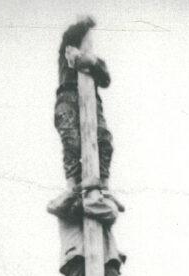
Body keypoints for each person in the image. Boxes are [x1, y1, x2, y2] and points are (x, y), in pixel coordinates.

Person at [54, 16, 113, 187]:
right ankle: (73, 186)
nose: (89, 42)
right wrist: (84, 24)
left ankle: (103, 185)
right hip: (68, 97)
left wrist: (91, 61)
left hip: (92, 103)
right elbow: (70, 36)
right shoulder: (67, 51)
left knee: (104, 140)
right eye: (86, 38)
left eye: (90, 40)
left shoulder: (96, 61)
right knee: (71, 140)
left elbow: (106, 80)